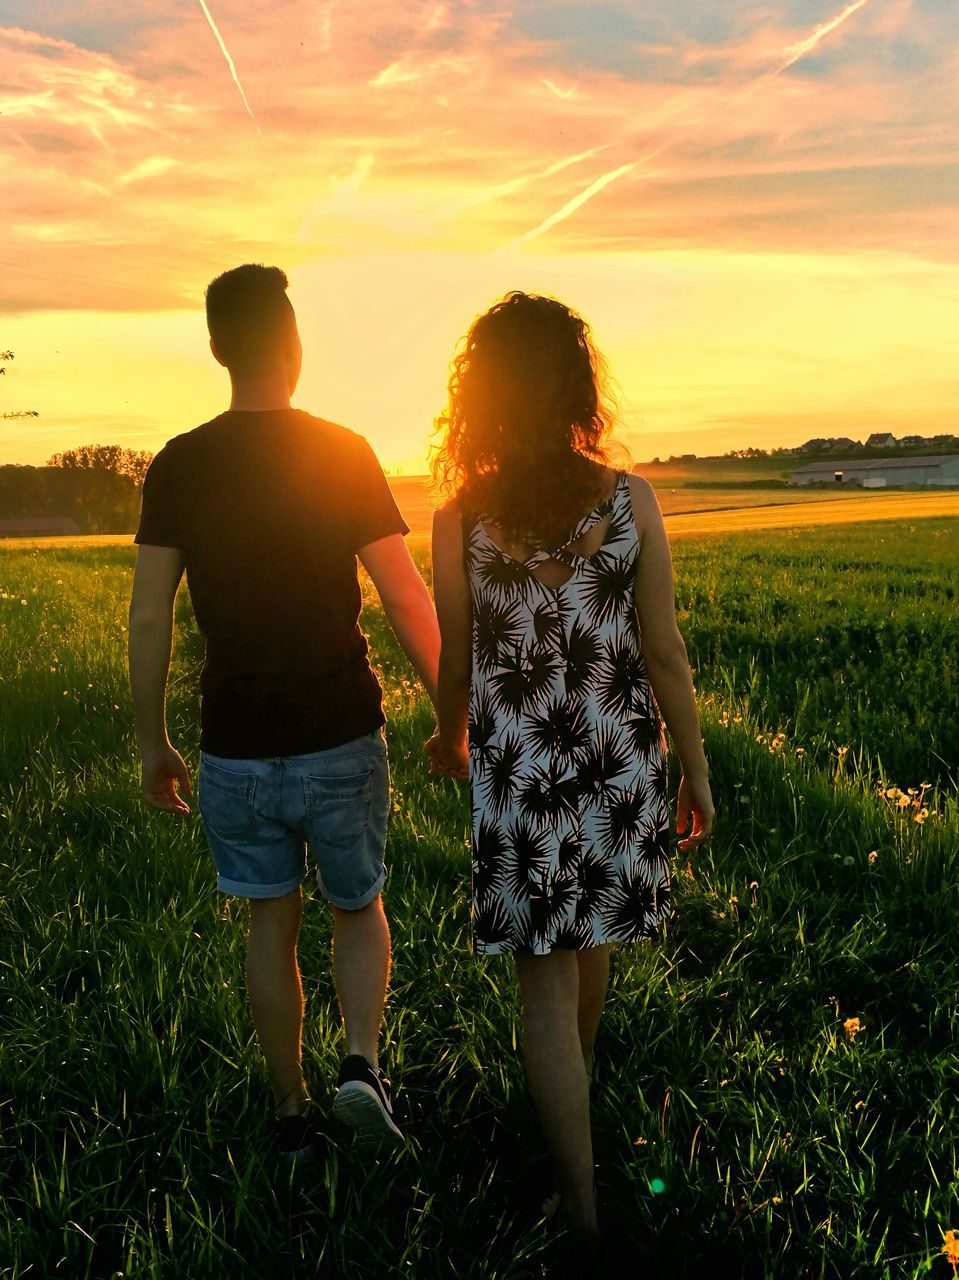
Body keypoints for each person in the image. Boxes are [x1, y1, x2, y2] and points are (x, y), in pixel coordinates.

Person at [128, 263, 441, 1166]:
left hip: (234, 748)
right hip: (340, 731)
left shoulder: (180, 463)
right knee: (357, 907)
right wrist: (451, 713)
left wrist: (152, 739)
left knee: (272, 920)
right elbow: (403, 595)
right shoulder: (341, 449)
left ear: (221, 349)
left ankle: (292, 1117)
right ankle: (361, 1068)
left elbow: (150, 615)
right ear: (295, 347)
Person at [427, 292, 714, 1255]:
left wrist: (447, 735)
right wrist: (695, 771)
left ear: (483, 397)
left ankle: (578, 1202)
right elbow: (663, 651)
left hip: (519, 771)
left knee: (546, 989)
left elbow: (456, 661)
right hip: (617, 759)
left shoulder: (460, 518)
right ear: (576, 387)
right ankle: (575, 1130)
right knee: (588, 948)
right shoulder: (628, 502)